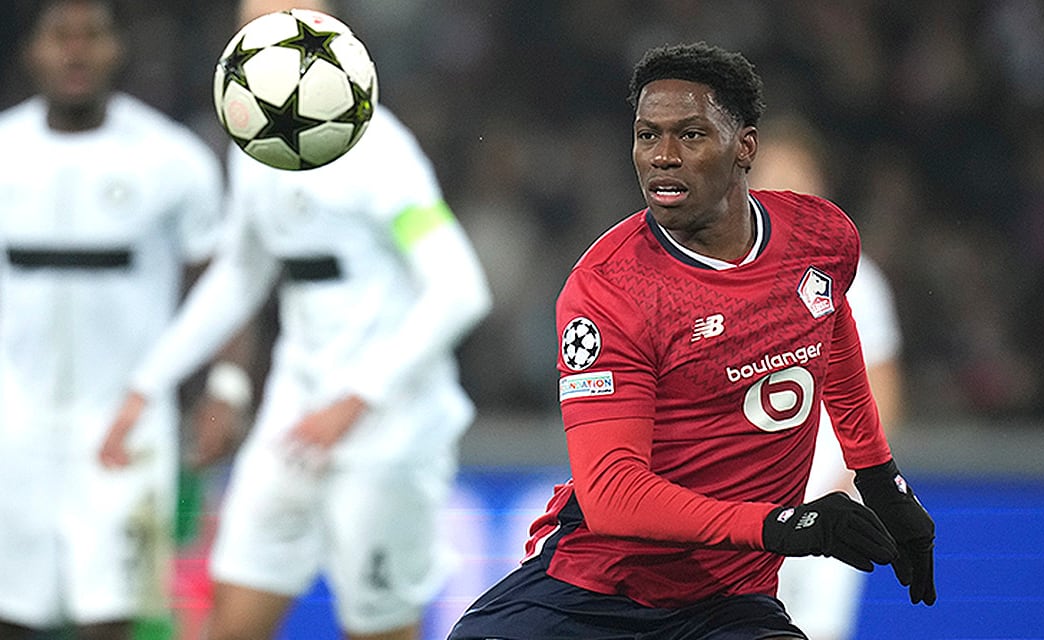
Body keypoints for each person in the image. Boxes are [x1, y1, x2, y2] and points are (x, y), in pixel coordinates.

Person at [447, 42, 935, 640]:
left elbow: (831, 328)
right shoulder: (611, 289)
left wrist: (880, 479)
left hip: (729, 601)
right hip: (598, 590)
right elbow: (611, 494)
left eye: (691, 136)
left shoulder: (821, 237)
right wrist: (780, 525)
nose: (663, 157)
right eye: (647, 136)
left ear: (745, 147)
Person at [98, 1, 493, 638]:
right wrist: (149, 382)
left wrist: (355, 400)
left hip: (387, 428)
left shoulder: (378, 150)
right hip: (294, 413)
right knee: (232, 619)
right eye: (254, 20)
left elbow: (459, 289)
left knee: (380, 626)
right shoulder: (254, 140)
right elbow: (240, 274)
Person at [0, 1, 226, 639]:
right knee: (10, 614)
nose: (75, 51)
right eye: (59, 36)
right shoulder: (4, 151)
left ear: (116, 49)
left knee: (114, 618)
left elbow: (222, 282)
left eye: (91, 36)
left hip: (127, 423)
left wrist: (225, 387)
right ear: (31, 51)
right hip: (11, 417)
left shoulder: (172, 160)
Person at [748, 116, 905, 640]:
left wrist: (857, 485)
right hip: (744, 509)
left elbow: (882, 391)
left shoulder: (858, 282)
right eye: (773, 178)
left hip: (830, 502)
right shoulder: (721, 277)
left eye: (799, 179)